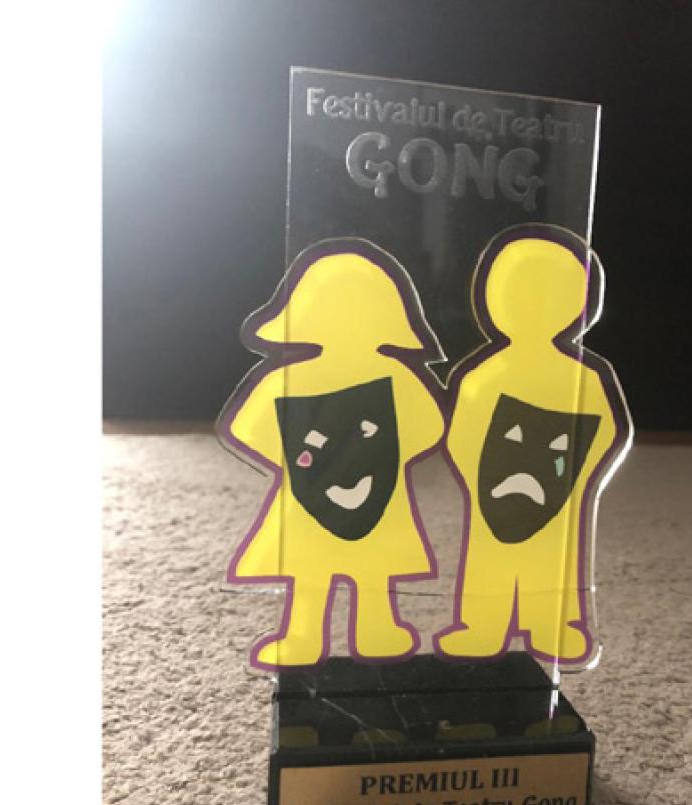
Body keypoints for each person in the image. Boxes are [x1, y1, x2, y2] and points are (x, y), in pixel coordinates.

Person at [220, 240, 444, 670]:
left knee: (364, 568)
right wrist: (303, 459)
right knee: (312, 570)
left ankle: (373, 630)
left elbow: (430, 427)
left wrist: (375, 456)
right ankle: (307, 635)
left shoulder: (392, 378)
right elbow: (247, 428)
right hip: (317, 499)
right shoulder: (290, 380)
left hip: (367, 497)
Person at [435, 225, 631, 666]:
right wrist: (476, 475)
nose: (531, 306)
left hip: (559, 492)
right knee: (489, 555)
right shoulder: (484, 374)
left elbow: (604, 433)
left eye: (548, 294)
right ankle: (482, 625)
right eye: (517, 292)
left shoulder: (585, 379)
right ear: (490, 298)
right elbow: (462, 432)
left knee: (555, 556)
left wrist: (581, 478)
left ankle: (552, 624)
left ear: (578, 304)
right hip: (494, 489)